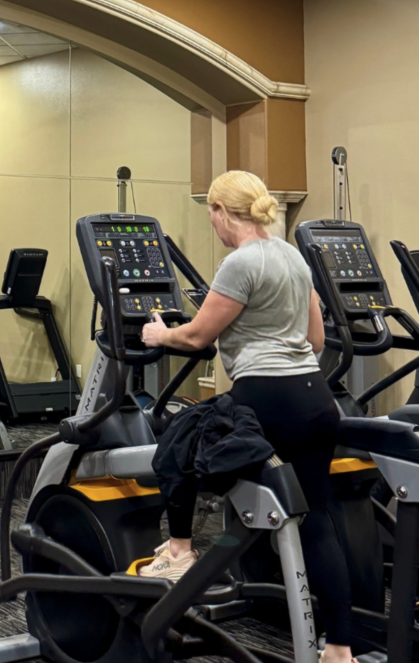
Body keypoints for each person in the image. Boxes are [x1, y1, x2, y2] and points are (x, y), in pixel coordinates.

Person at [139, 171, 354, 663]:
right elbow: (316, 340)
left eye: (210, 214)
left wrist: (159, 335)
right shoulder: (293, 257)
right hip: (316, 400)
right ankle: (340, 650)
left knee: (180, 436)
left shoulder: (239, 263)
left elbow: (197, 336)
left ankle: (179, 551)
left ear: (220, 211)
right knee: (316, 518)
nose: (212, 223)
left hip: (265, 396)